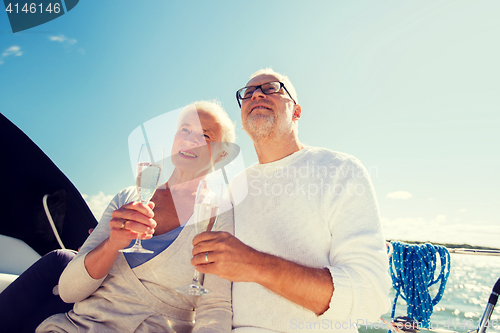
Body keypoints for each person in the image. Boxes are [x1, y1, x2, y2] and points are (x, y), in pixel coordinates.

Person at [191, 69, 392, 332]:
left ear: (296, 112)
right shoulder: (234, 189)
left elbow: (370, 297)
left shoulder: (341, 171)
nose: (257, 94)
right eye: (248, 93)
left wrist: (256, 265)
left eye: (272, 88)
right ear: (242, 119)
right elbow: (216, 298)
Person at [34, 101, 235, 332]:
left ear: (222, 154)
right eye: (185, 130)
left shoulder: (220, 216)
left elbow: (215, 306)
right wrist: (112, 244)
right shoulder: (127, 197)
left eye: (206, 135)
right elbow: (69, 291)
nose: (190, 139)